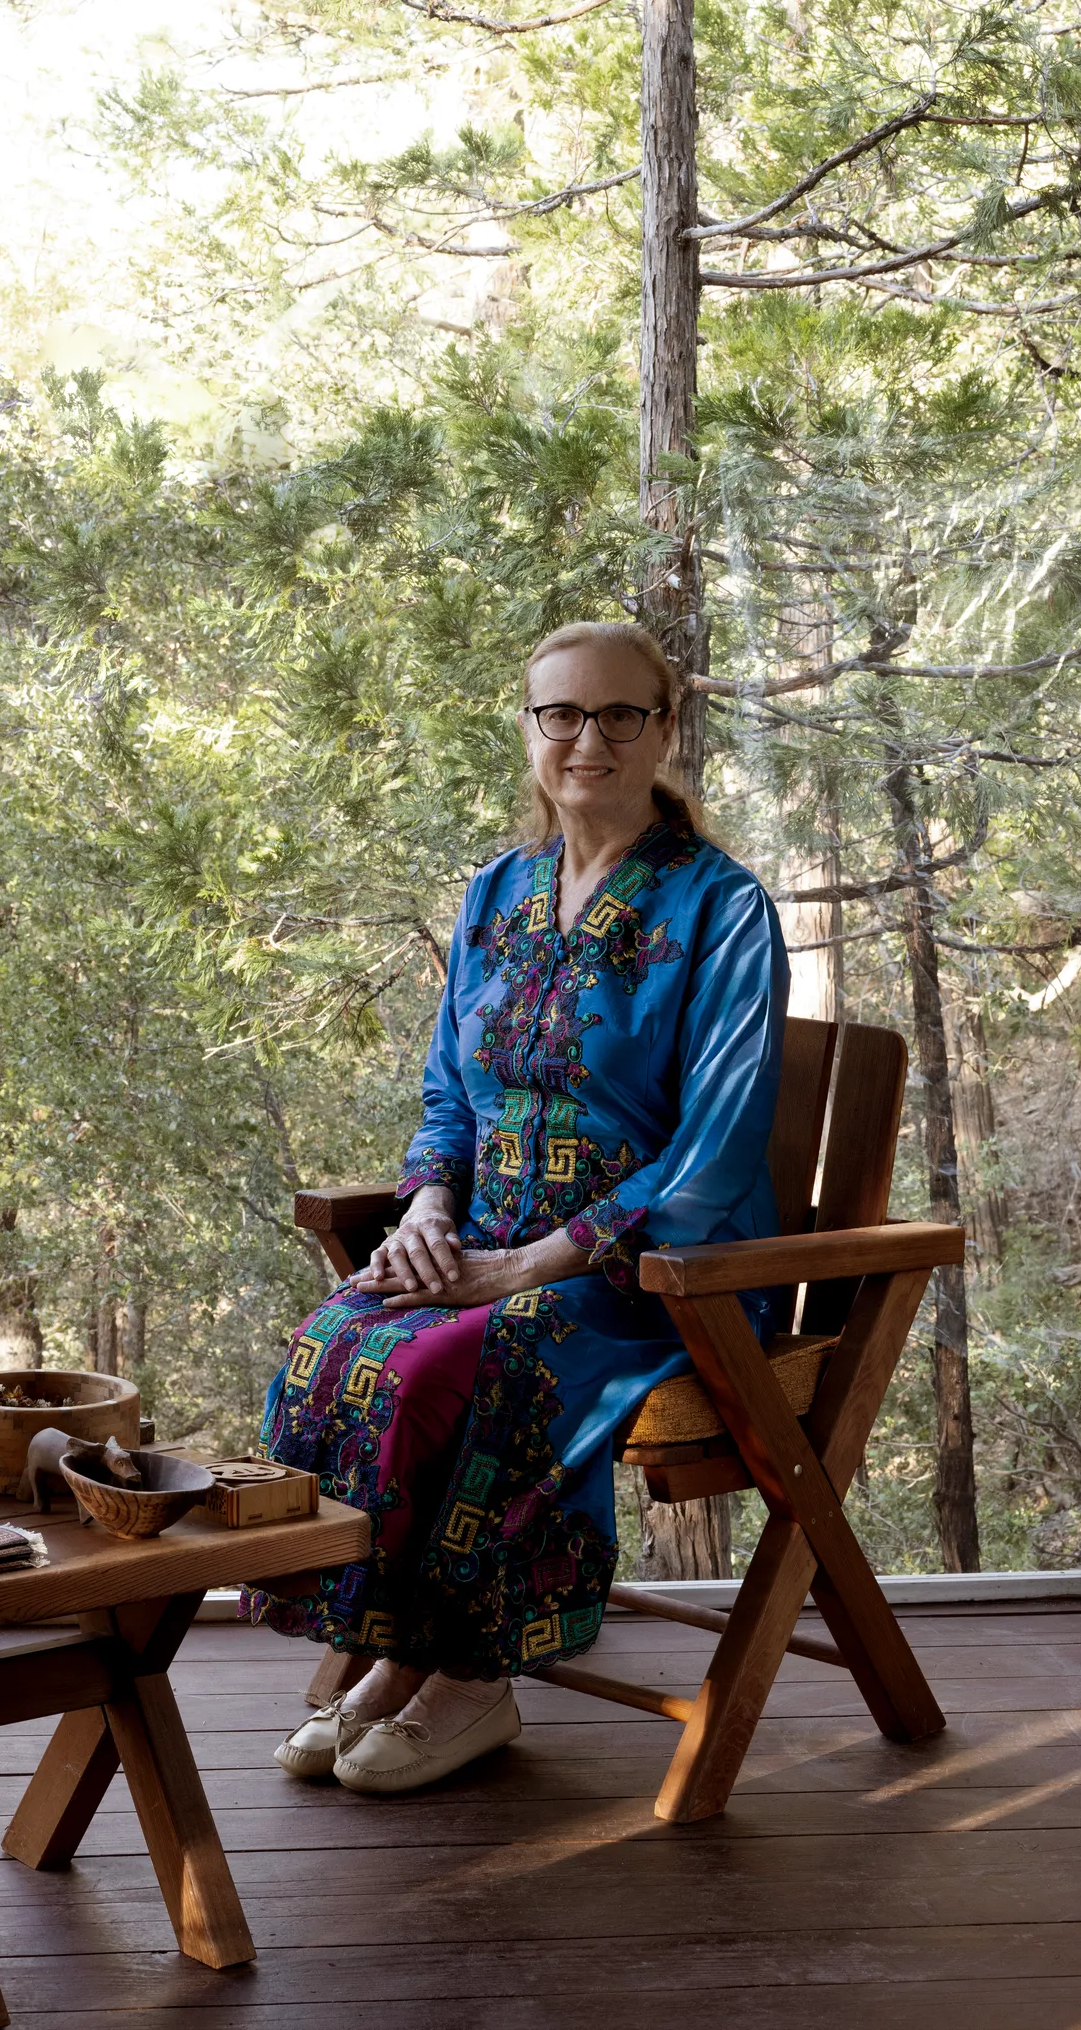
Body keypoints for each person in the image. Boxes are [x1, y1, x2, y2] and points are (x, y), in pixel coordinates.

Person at [247, 620, 789, 1794]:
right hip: (485, 1241)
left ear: (666, 727)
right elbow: (450, 1089)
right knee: (337, 1343)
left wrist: (528, 1265)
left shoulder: (721, 911)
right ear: (531, 730)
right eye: (563, 715)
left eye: (619, 716)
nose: (588, 739)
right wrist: (432, 1206)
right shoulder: (495, 894)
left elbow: (717, 1152)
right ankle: (399, 1652)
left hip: (654, 1280)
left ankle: (476, 1680)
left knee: (474, 1362)